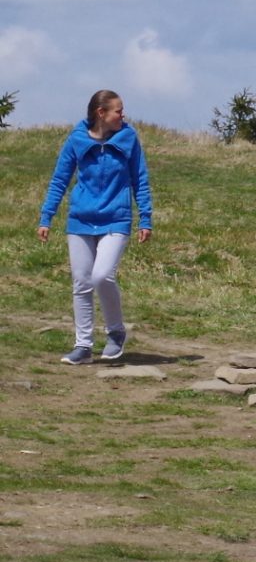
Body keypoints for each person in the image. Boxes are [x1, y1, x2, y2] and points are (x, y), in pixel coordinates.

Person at [38, 89, 154, 365]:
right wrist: (46, 217)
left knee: (101, 276)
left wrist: (145, 218)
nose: (123, 115)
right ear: (101, 113)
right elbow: (59, 180)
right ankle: (83, 346)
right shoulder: (76, 139)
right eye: (118, 111)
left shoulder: (129, 138)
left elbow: (140, 179)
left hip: (116, 219)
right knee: (81, 281)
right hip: (80, 220)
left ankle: (116, 332)